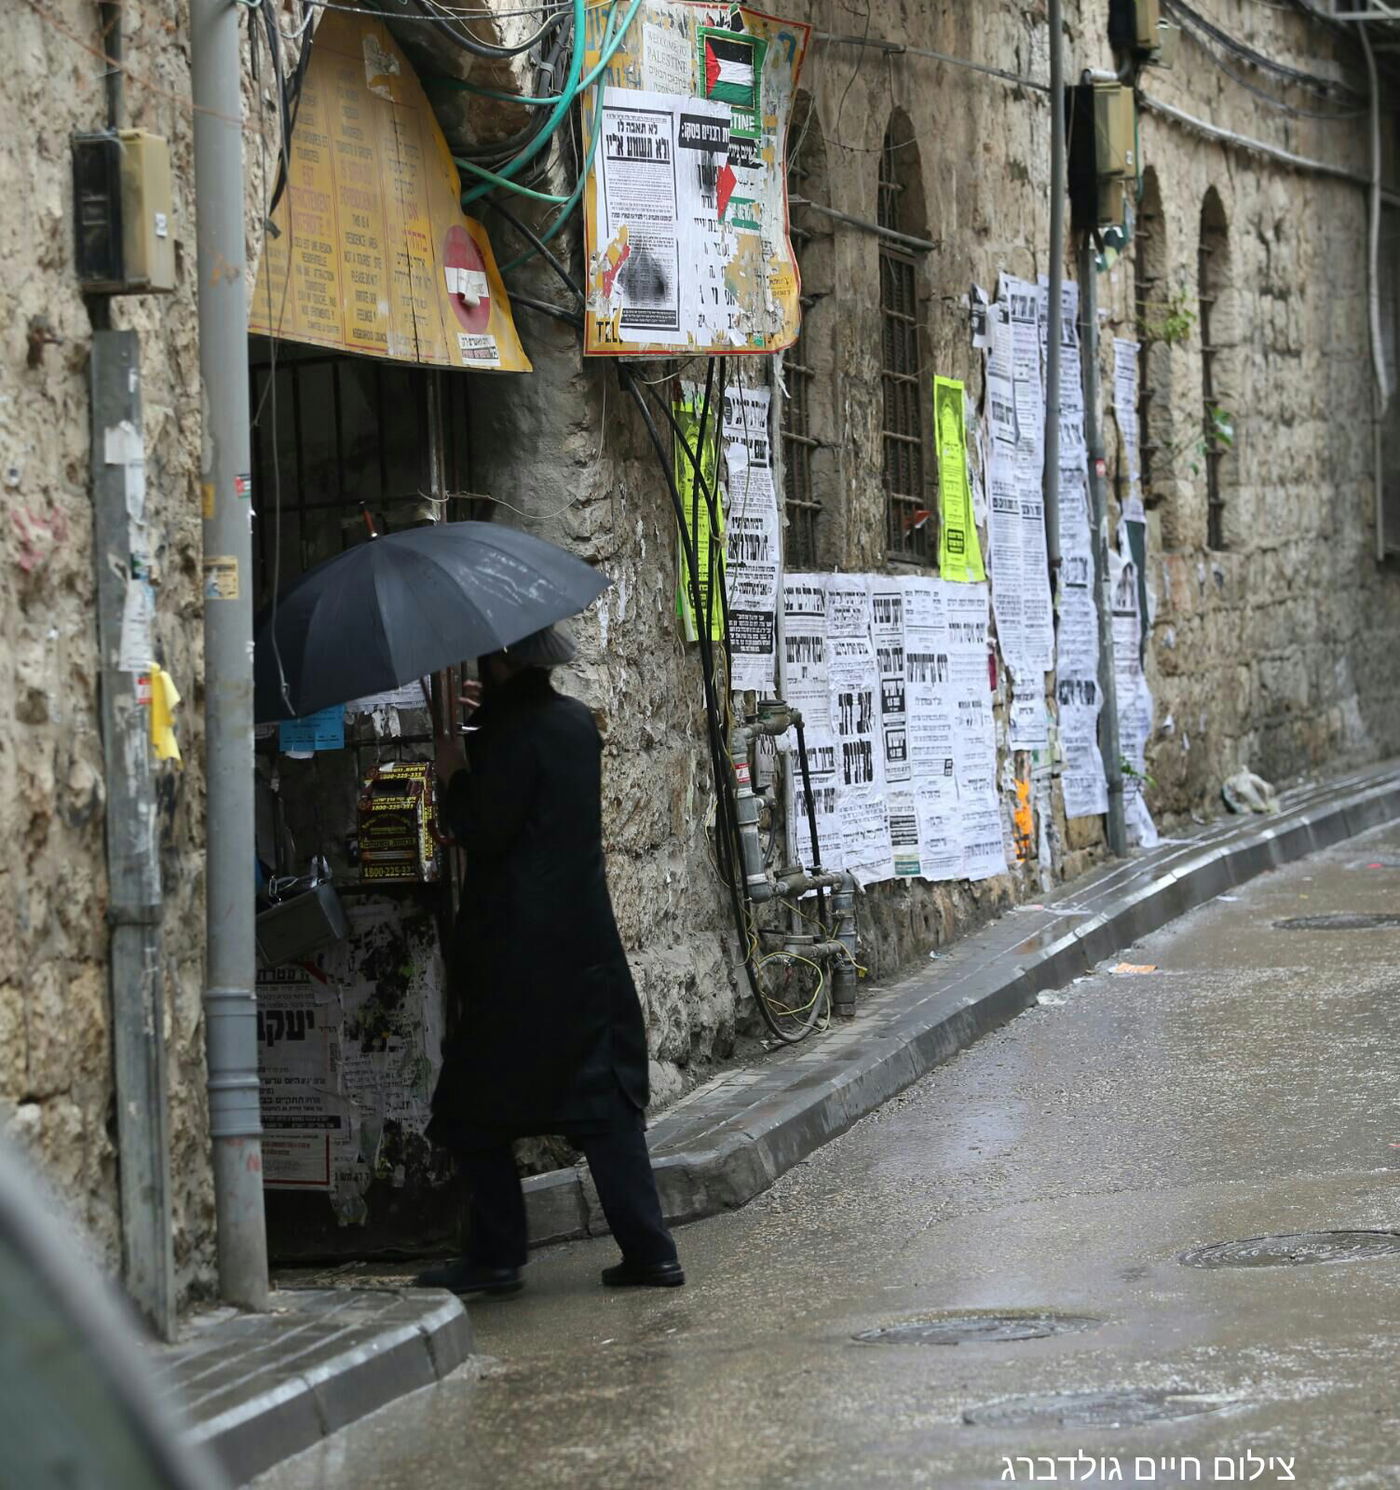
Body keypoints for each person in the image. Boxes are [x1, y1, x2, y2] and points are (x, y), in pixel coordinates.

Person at [418, 625, 683, 1296]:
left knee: (472, 1109)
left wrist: (453, 771)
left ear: (501, 660)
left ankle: (498, 1255)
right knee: (604, 1105)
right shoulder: (573, 725)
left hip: (517, 958)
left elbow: (485, 828)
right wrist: (482, 730)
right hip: (585, 947)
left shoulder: (507, 737)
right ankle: (651, 1252)